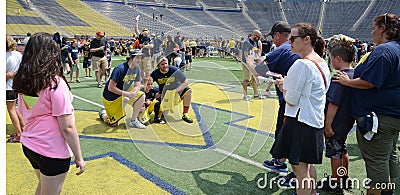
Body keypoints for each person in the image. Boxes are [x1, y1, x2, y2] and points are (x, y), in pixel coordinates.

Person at [334, 13, 400, 195]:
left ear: (383, 29)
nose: (371, 32)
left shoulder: (384, 50)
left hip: (380, 117)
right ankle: (389, 190)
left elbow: (370, 81)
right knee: (389, 156)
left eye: (374, 28)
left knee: (377, 160)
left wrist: (347, 81)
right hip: (392, 114)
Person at [13, 32, 85, 194]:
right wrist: (79, 157)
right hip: (51, 150)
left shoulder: (24, 78)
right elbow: (67, 127)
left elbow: (21, 111)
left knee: (43, 187)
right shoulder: (55, 83)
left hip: (30, 144)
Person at [271, 23, 329, 195]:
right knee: (307, 165)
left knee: (300, 171)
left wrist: (283, 87)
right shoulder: (321, 62)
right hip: (314, 120)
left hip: (300, 121)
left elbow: (291, 99)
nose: (289, 42)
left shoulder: (302, 64)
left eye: (293, 38)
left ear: (306, 40)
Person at [244, 21, 301, 182]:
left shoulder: (282, 48)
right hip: (297, 98)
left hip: (292, 100)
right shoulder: (291, 48)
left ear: (277, 35)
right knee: (284, 132)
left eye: (273, 37)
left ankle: (298, 174)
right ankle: (280, 161)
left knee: (289, 135)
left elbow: (258, 71)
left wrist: (248, 59)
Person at [318, 34, 356, 194]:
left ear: (338, 58)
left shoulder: (339, 78)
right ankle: (344, 177)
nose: (330, 61)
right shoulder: (353, 75)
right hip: (347, 121)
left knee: (334, 153)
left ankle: (335, 183)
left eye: (331, 57)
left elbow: (333, 104)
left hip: (336, 123)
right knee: (342, 149)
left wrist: (327, 126)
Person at [99, 49, 146, 128]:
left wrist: (134, 92)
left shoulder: (137, 68)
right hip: (111, 97)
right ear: (131, 58)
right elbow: (111, 88)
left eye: (140, 58)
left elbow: (137, 85)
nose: (140, 60)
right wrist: (127, 94)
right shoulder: (120, 69)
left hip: (123, 94)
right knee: (113, 124)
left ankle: (133, 120)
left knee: (141, 95)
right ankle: (103, 113)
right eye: (138, 58)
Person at [150, 57, 193, 123]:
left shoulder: (174, 70)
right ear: (158, 65)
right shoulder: (155, 73)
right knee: (163, 115)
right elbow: (147, 84)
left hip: (177, 92)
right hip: (165, 95)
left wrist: (175, 91)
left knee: (188, 91)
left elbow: (186, 82)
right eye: (162, 64)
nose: (165, 66)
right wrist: (154, 94)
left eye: (166, 63)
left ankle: (185, 114)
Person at [6, 34, 23, 142]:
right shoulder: (18, 55)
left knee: (12, 110)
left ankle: (19, 133)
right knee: (15, 109)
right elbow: (21, 72)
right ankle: (23, 129)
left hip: (7, 87)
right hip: (14, 85)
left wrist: (9, 75)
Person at [241, 30, 262, 101]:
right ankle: (245, 95)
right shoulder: (247, 42)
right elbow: (245, 55)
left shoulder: (255, 42)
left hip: (252, 63)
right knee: (247, 79)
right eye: (258, 37)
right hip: (246, 63)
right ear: (255, 35)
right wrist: (249, 65)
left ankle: (256, 94)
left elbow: (254, 52)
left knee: (254, 79)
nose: (259, 39)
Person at [135, 15, 153, 87]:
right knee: (141, 70)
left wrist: (143, 46)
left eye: (146, 31)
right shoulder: (141, 37)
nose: (144, 32)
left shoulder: (149, 38)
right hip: (140, 55)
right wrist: (137, 21)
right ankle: (143, 81)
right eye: (143, 31)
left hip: (146, 55)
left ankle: (147, 82)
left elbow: (151, 46)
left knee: (147, 70)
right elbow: (136, 29)